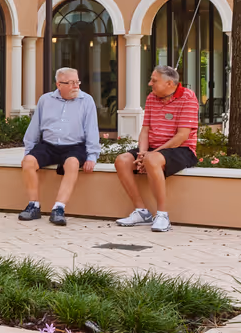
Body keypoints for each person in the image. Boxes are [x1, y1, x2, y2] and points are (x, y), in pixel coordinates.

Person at [112, 64, 200, 232]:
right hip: (153, 148)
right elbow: (145, 129)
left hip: (181, 149)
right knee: (122, 160)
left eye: (154, 80)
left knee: (152, 159)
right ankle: (141, 211)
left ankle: (162, 215)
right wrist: (141, 153)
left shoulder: (188, 97)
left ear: (170, 84)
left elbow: (182, 136)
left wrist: (151, 155)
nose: (150, 84)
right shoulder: (152, 97)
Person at [18, 66, 100, 226]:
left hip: (74, 146)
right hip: (48, 145)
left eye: (77, 82)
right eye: (71, 83)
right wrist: (29, 151)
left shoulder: (86, 100)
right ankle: (33, 205)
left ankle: (59, 208)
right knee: (28, 162)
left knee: (72, 164)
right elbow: (34, 128)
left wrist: (92, 156)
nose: (76, 86)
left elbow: (92, 129)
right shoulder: (45, 100)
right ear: (59, 85)